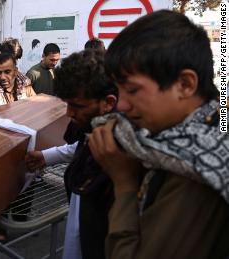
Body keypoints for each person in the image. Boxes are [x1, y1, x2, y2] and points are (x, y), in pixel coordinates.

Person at [88, 10, 229, 258]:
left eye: (132, 90)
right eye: (119, 90)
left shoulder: (194, 169)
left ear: (185, 84)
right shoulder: (182, 139)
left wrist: (124, 184)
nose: (121, 105)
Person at [27, 49, 117, 259]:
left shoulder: (119, 159)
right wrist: (45, 156)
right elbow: (80, 147)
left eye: (76, 105)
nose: (69, 113)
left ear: (109, 103)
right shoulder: (97, 127)